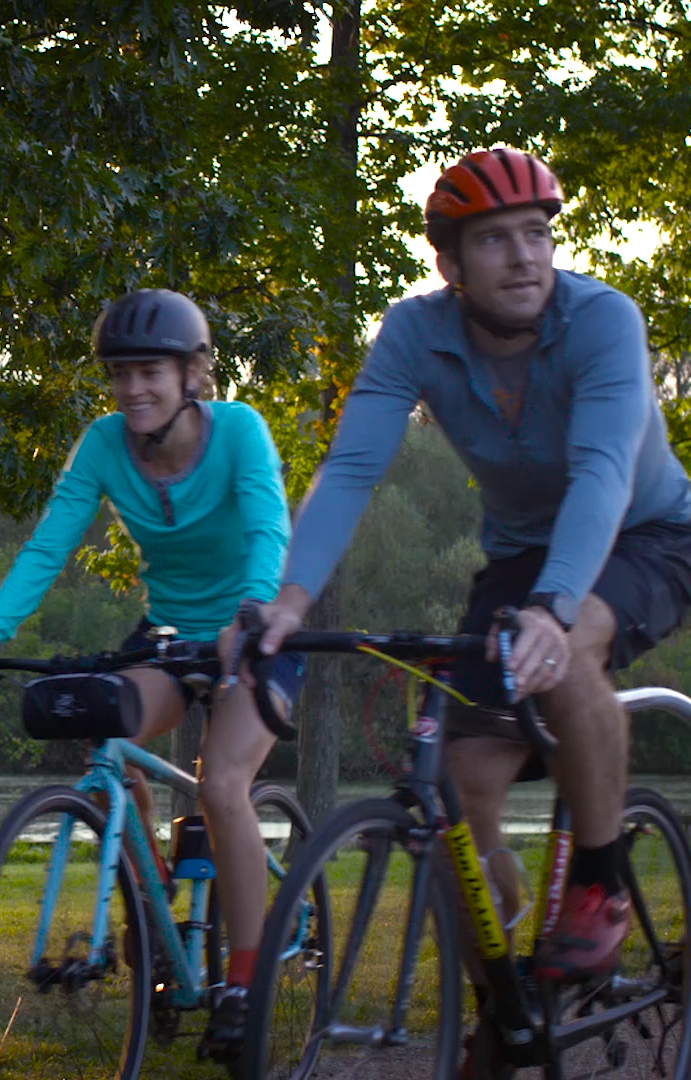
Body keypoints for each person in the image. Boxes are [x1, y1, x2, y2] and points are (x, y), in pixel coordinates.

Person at [246, 147, 691, 985]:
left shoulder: (604, 321)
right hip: (522, 552)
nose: (524, 256)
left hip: (648, 533)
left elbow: (603, 472)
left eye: (536, 233)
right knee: (457, 780)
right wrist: (291, 601)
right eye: (494, 241)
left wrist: (557, 612)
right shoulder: (415, 332)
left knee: (568, 651)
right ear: (449, 263)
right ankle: (497, 993)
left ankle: (598, 881)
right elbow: (349, 471)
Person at [0, 288, 308, 1060]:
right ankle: (148, 886)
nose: (133, 388)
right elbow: (49, 545)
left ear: (193, 373)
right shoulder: (103, 445)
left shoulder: (239, 432)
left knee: (222, 785)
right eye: (119, 373)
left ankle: (243, 980)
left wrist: (251, 616)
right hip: (169, 635)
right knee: (100, 720)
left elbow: (271, 527)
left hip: (256, 629)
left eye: (150, 372)